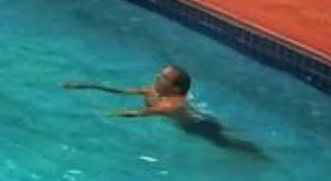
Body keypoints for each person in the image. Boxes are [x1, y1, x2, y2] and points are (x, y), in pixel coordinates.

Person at [66, 66, 267, 155]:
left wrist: (106, 115)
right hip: (197, 119)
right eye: (160, 74)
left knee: (229, 143)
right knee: (228, 134)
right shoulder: (153, 90)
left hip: (199, 127)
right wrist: (89, 85)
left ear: (176, 89)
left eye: (163, 78)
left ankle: (260, 154)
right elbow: (121, 91)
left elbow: (139, 113)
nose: (157, 78)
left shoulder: (172, 105)